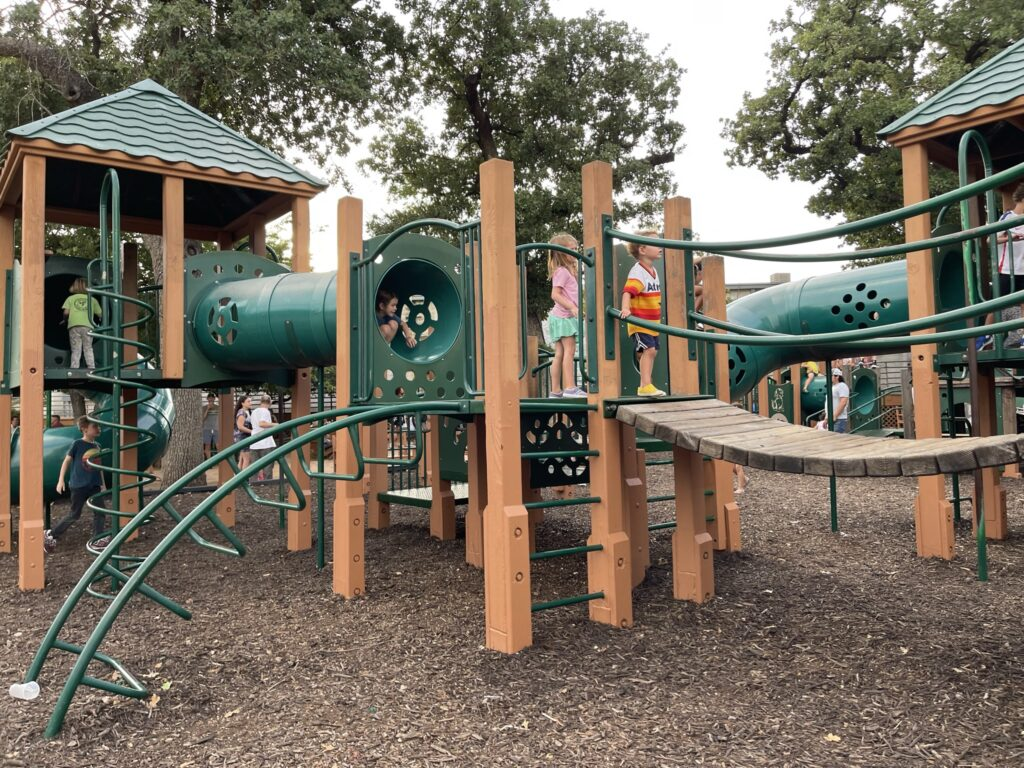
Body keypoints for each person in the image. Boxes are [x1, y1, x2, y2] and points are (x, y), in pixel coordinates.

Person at [44, 415, 109, 552]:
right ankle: (51, 534)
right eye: (95, 426)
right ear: (85, 429)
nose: (98, 428)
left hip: (94, 485)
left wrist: (103, 484)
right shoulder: (78, 444)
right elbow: (66, 461)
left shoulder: (98, 446)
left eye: (98, 426)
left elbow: (99, 466)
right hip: (79, 485)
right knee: (75, 514)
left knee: (100, 513)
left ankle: (96, 540)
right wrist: (60, 480)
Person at [976, 183, 1024, 351]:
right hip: (1007, 270)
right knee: (996, 305)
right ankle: (985, 336)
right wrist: (1011, 239)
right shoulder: (1007, 218)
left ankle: (1023, 337)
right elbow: (991, 240)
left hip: (1023, 269)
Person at [621, 229, 665, 397]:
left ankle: (645, 385)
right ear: (642, 249)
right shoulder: (638, 271)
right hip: (640, 322)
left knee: (651, 352)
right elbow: (628, 292)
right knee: (649, 351)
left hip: (652, 322)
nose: (660, 245)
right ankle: (645, 385)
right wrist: (626, 309)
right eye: (655, 243)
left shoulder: (653, 271)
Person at [546, 232, 586, 398]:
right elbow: (555, 294)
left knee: (560, 354)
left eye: (577, 248)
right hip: (564, 317)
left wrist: (578, 308)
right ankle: (570, 387)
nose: (576, 252)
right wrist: (572, 307)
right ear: (562, 253)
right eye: (572, 249)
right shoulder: (562, 271)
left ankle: (555, 391)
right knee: (569, 351)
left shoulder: (568, 271)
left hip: (561, 316)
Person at [62, 278, 102, 369]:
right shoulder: (92, 300)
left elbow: (66, 313)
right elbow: (100, 314)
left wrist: (65, 320)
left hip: (74, 326)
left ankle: (74, 368)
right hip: (88, 326)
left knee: (76, 349)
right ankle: (91, 368)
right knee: (88, 348)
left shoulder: (70, 299)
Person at [249, 395, 276, 480]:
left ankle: (253, 485)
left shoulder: (254, 411)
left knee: (254, 468)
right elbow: (262, 423)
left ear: (260, 402)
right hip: (266, 442)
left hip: (254, 442)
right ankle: (267, 484)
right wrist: (275, 424)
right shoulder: (266, 411)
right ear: (270, 403)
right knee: (267, 467)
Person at [234, 394, 253, 470]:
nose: (250, 403)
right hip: (243, 437)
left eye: (250, 401)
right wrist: (252, 431)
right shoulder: (242, 412)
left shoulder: (246, 411)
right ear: (242, 403)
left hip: (242, 437)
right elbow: (240, 427)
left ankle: (238, 478)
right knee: (246, 460)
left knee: (242, 460)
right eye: (248, 401)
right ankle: (244, 480)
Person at [830, 367, 850, 434]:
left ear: (837, 376)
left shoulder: (842, 386)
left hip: (838, 419)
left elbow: (843, 402)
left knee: (835, 440)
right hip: (833, 418)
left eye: (831, 375)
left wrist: (835, 415)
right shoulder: (833, 386)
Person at [201, 393, 219, 459]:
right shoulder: (204, 408)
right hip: (206, 428)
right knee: (207, 445)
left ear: (214, 399)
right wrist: (208, 409)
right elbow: (202, 418)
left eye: (212, 397)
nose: (211, 399)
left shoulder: (218, 407)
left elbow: (220, 418)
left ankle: (220, 461)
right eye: (209, 397)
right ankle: (209, 462)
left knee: (218, 445)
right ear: (207, 399)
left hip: (216, 428)